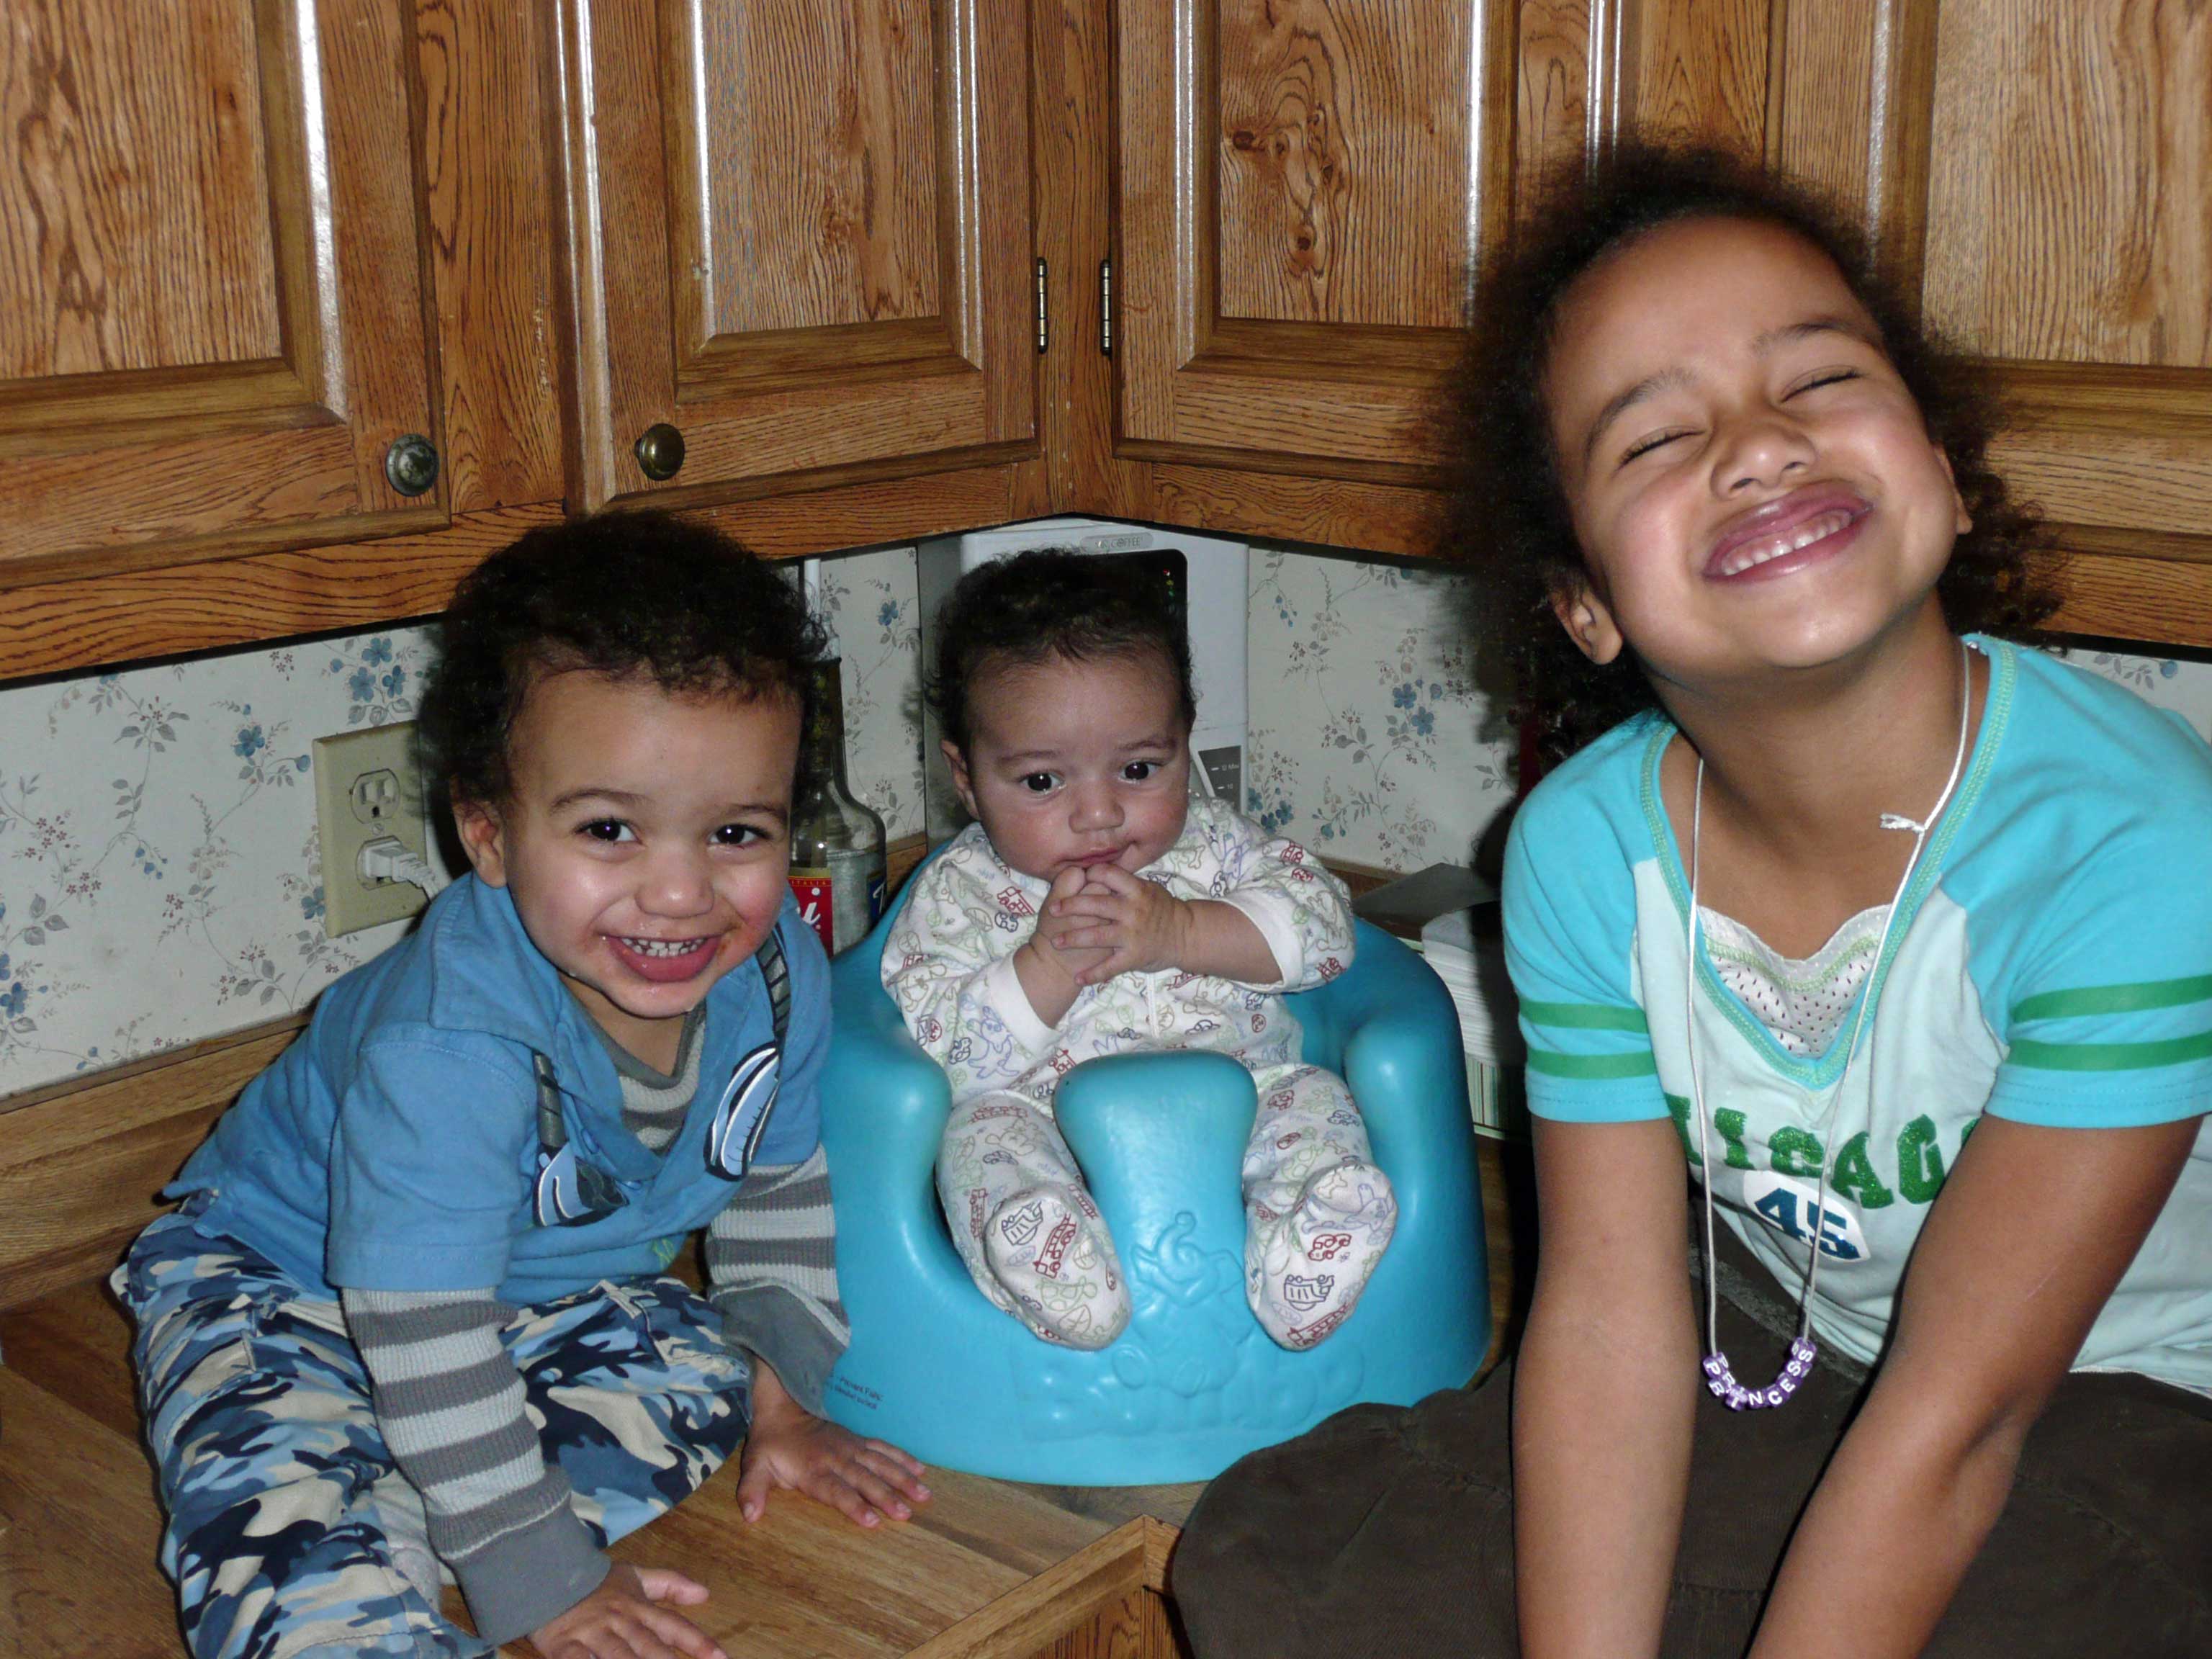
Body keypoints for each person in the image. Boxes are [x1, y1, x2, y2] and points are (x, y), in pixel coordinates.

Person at [1174, 145, 2211, 1657]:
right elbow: (1607, 1316)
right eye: (1656, 436)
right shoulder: (1584, 847)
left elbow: (1960, 1421)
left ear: (1943, 470)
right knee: (1283, 1555)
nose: (1759, 444)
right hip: (1791, 1341)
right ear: (1585, 604)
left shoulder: (2128, 835)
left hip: (2128, 1403)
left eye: (1820, 378)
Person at [112, 513, 932, 1659]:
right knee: (298, 1595)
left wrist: (784, 1402)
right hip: (284, 1287)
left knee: (704, 1361)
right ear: (488, 834)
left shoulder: (780, 974)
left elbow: (774, 1183)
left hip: (522, 1296)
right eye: (611, 829)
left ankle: (416, 1505)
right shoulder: (447, 1046)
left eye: (736, 832)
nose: (681, 892)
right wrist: (548, 1588)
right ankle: (383, 1527)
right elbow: (425, 1325)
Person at [883, 552, 1393, 1352]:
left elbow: (1327, 934)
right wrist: (1045, 969)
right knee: (980, 1138)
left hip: (1249, 1089)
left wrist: (1182, 931)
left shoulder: (1220, 847)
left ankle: (1308, 1250)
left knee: (1316, 1101)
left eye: (1138, 769)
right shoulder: (959, 894)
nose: (1099, 814)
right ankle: (1052, 1261)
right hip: (1042, 1116)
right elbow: (935, 1057)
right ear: (967, 777)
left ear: (1184, 745)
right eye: (1043, 782)